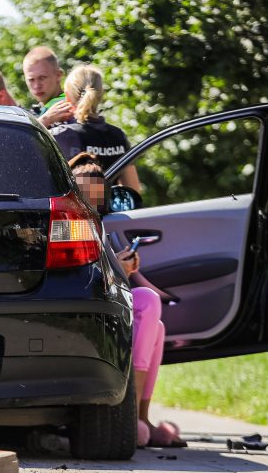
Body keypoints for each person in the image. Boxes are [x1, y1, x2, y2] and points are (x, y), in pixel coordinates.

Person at [68, 152, 185, 447]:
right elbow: (83, 278)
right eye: (81, 188)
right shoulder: (70, 223)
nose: (88, 196)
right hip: (84, 314)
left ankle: (141, 416)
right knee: (146, 300)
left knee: (155, 323)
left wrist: (124, 268)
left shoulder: (100, 225)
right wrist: (120, 268)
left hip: (105, 309)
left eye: (95, 190)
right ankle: (133, 415)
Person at [52, 64, 141, 192]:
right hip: (112, 211)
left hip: (79, 211)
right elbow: (133, 190)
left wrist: (44, 121)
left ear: (67, 97)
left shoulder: (62, 134)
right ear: (101, 95)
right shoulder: (118, 135)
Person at [22, 46, 74, 127]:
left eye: (42, 78)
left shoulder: (66, 107)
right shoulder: (39, 110)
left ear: (58, 75)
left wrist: (45, 120)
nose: (37, 86)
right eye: (31, 80)